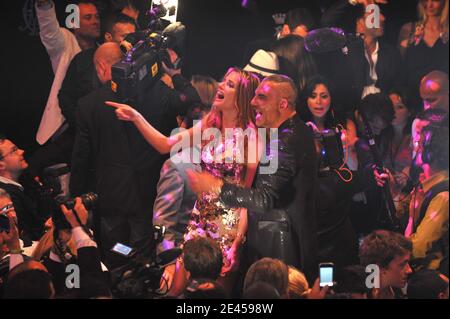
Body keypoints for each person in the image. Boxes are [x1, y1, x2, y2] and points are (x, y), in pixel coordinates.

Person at [106, 68, 259, 293]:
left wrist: (238, 241)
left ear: (242, 96)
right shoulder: (210, 125)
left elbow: (245, 199)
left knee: (214, 295)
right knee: (175, 291)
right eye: (223, 81)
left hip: (226, 229)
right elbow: (164, 144)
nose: (221, 86)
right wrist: (136, 117)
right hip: (197, 223)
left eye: (230, 84)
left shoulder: (251, 136)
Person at [70, 42, 200, 269]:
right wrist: (174, 73)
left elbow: (82, 158)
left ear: (101, 67)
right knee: (142, 260)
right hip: (148, 196)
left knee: (116, 254)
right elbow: (190, 99)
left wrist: (77, 196)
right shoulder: (159, 94)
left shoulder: (88, 105)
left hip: (111, 198)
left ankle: (119, 279)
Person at [185, 75, 318, 282]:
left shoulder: (282, 143)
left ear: (282, 104)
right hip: (288, 239)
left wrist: (217, 186)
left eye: (262, 98)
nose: (253, 102)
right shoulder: (297, 130)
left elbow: (263, 200)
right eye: (254, 96)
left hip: (280, 247)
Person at [28, 13, 138, 179]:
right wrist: (81, 123)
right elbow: (65, 96)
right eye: (125, 36)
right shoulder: (83, 60)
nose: (131, 41)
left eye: (133, 36)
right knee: (37, 164)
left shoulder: (138, 64)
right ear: (109, 36)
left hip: (120, 138)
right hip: (80, 132)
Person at [301, 76, 359, 267]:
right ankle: (323, 289)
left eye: (324, 96)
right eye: (313, 96)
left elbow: (353, 166)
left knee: (341, 253)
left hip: (338, 200)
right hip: (314, 202)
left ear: (331, 98)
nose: (318, 102)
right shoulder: (300, 128)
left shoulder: (341, 126)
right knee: (321, 256)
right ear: (306, 99)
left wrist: (347, 146)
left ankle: (340, 288)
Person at [35, 0, 100, 146]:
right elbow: (49, 33)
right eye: (88, 17)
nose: (95, 21)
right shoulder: (65, 42)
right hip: (68, 127)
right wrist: (45, 6)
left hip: (97, 125)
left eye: (97, 17)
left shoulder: (103, 50)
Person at [399, 0, 449, 111]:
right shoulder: (409, 30)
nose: (429, 4)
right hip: (414, 105)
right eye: (425, 0)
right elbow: (400, 71)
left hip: (445, 107)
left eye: (435, 0)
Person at [0, 137, 48, 243]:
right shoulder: (5, 197)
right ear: (1, 165)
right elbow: (23, 236)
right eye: (14, 150)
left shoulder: (25, 181)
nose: (22, 151)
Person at [359, 230, 413, 299]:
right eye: (402, 265)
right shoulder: (362, 294)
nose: (409, 270)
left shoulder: (397, 288)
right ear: (380, 268)